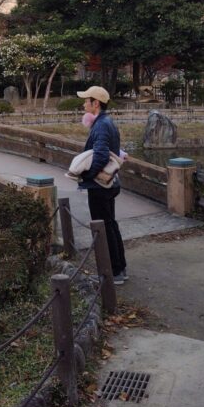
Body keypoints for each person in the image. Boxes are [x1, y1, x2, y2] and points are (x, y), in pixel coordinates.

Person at [75, 85, 127, 284]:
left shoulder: (101, 125)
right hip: (108, 184)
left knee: (102, 228)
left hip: (100, 186)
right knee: (110, 225)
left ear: (95, 103)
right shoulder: (106, 122)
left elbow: (102, 155)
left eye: (86, 101)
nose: (84, 104)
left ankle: (112, 272)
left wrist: (86, 175)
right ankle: (119, 268)